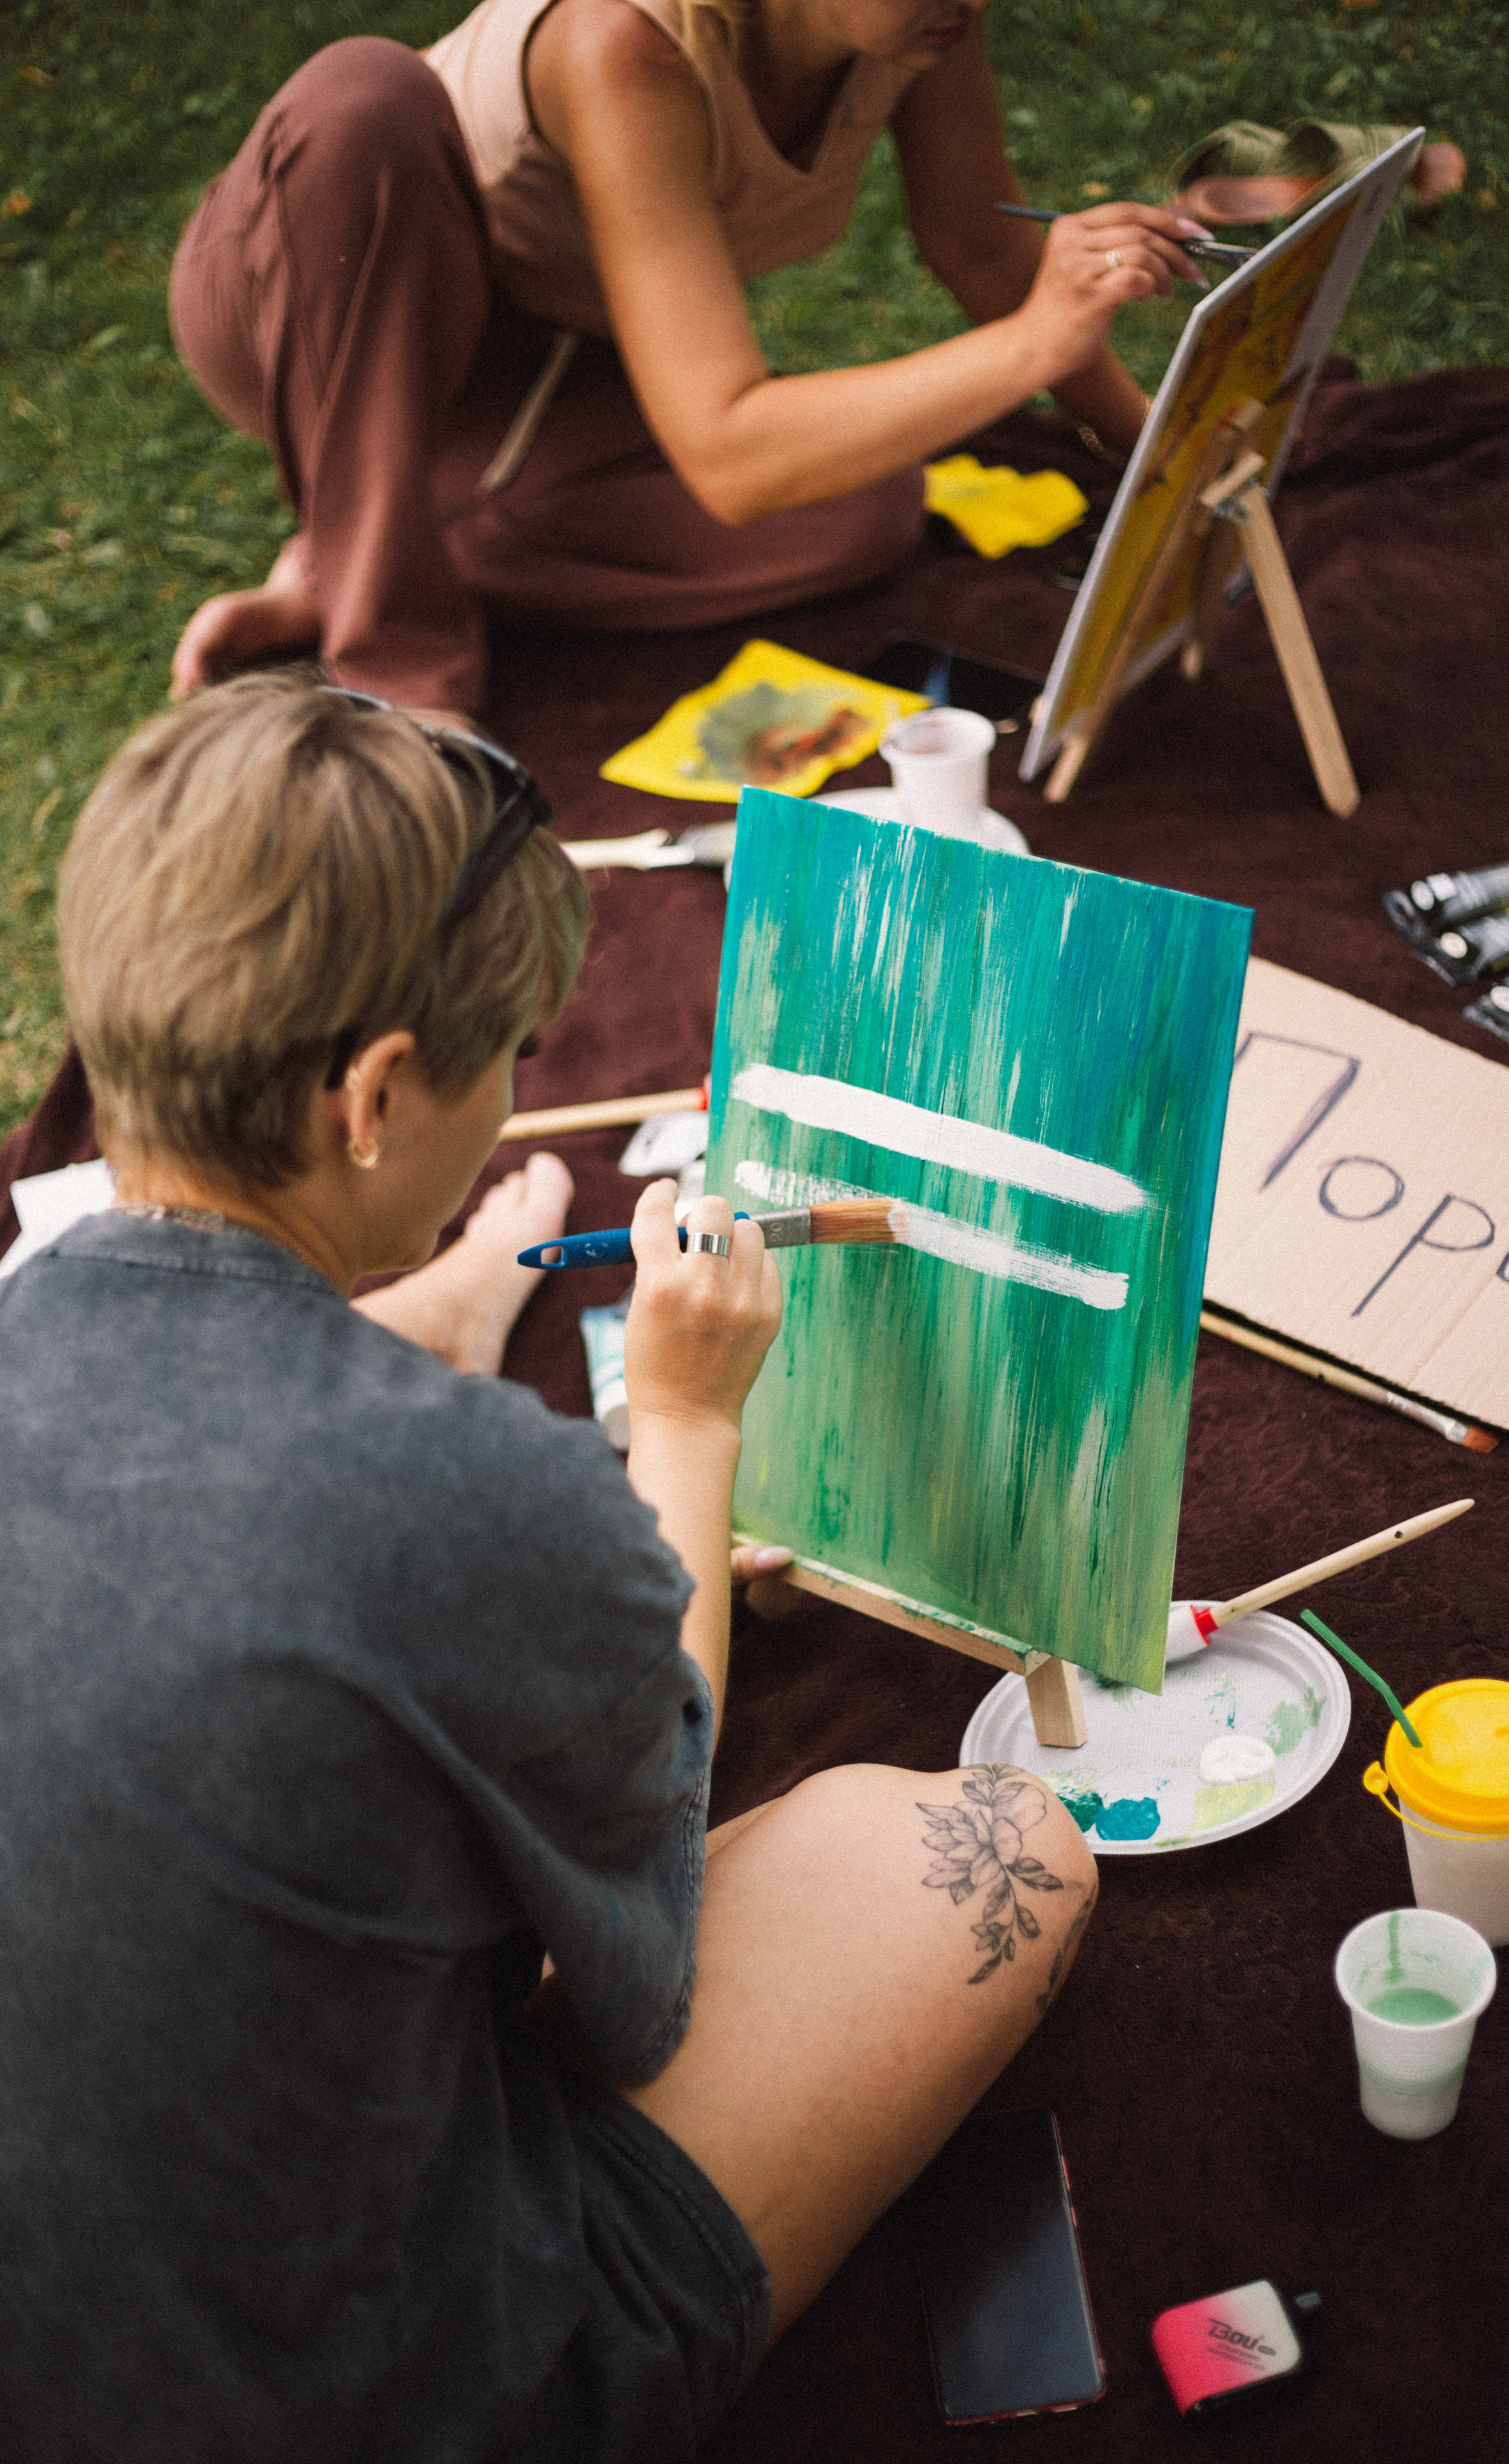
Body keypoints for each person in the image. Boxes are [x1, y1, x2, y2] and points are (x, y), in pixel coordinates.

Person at [0, 673, 1096, 2460]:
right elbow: (640, 1989)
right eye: (514, 1051)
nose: (521, 1095)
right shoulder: (473, 1495)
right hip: (349, 2396)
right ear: (376, 1094)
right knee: (999, 1854)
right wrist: (687, 1427)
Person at [167, 0, 1207, 721]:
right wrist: (1032, 343)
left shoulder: (921, 26)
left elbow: (982, 249)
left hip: (540, 354)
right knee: (362, 94)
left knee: (864, 504)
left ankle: (347, 566)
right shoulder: (624, 45)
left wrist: (1164, 446)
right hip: (320, 303)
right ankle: (399, 677)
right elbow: (727, 452)